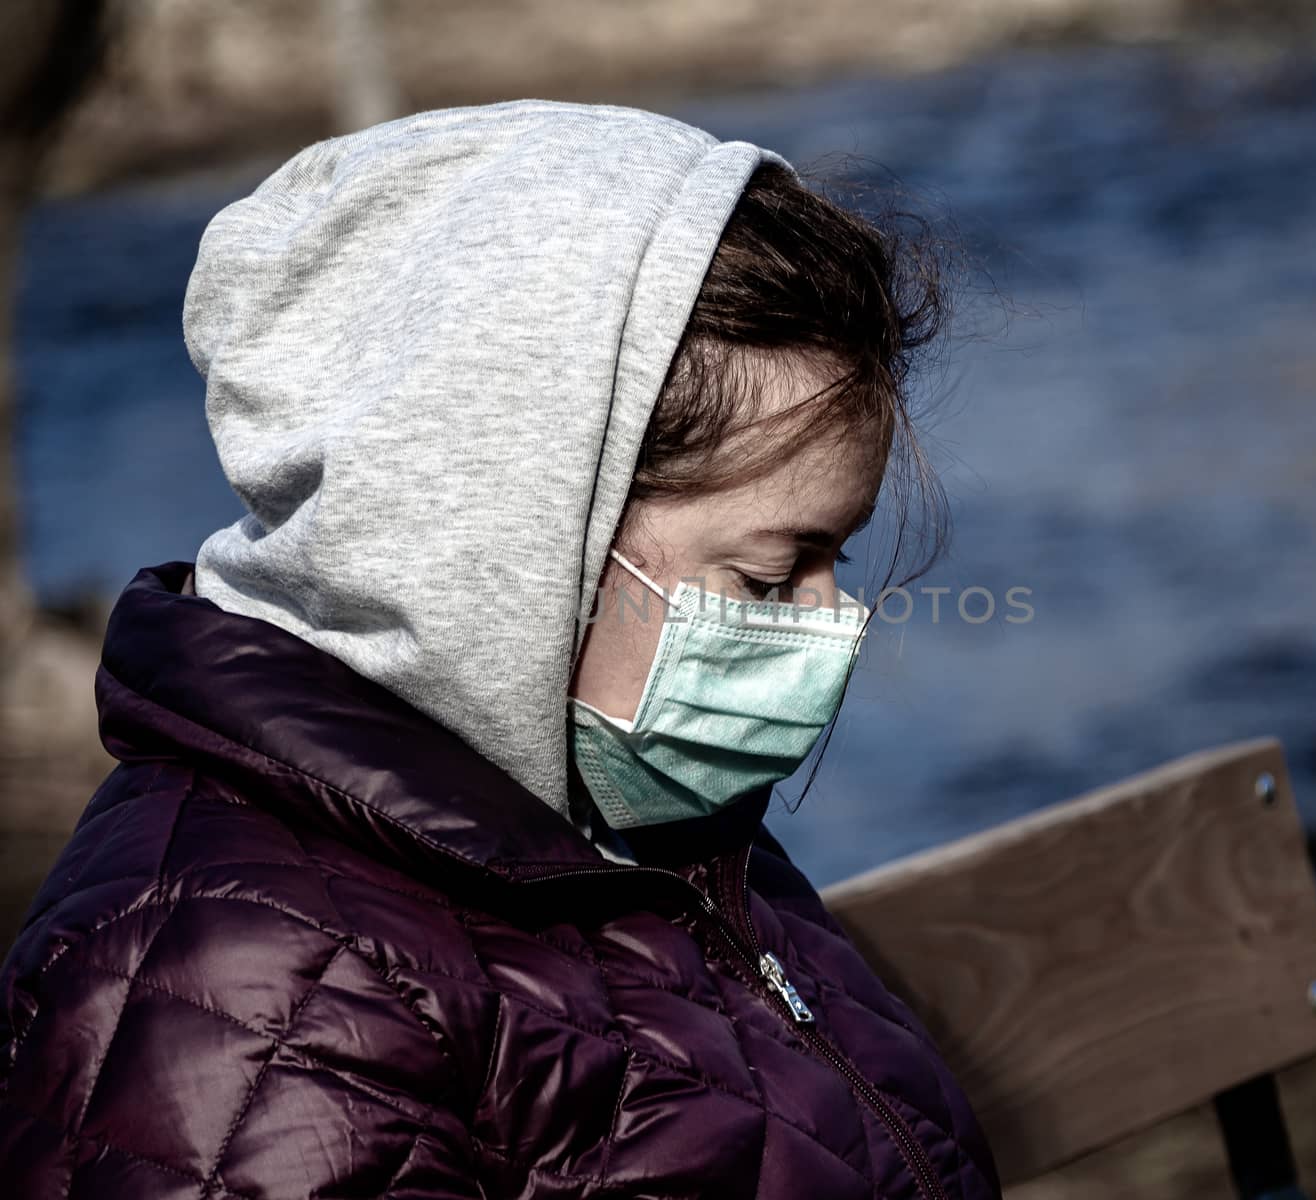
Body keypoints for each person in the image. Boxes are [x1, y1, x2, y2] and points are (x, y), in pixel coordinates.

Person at [0, 99, 999, 1199]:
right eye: (765, 577)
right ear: (510, 541)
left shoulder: (657, 838)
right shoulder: (246, 984)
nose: (824, 627)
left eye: (835, 567)